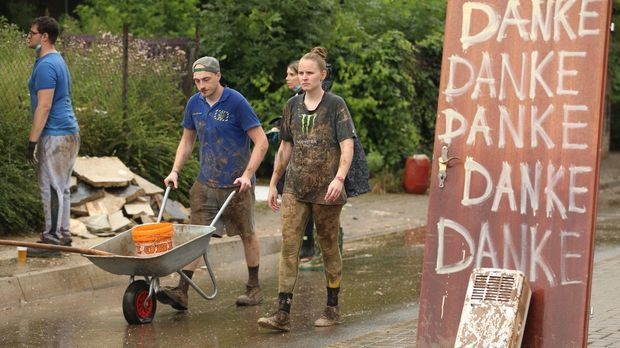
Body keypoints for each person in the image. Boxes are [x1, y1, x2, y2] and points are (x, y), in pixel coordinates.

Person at [157, 56, 268, 310]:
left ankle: (254, 288)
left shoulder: (236, 102)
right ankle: (182, 292)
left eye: (206, 79)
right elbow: (187, 142)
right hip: (206, 182)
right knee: (196, 236)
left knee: (247, 234)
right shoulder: (194, 104)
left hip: (236, 184)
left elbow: (261, 141)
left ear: (218, 76)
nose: (201, 85)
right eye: (197, 81)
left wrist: (248, 174)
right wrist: (175, 171)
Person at [257, 47, 356, 331]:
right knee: (289, 247)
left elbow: (346, 144)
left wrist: (339, 179)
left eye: (309, 73)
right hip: (295, 187)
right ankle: (282, 313)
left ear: (323, 75)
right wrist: (274, 182)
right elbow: (286, 145)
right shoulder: (292, 105)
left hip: (327, 190)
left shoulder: (336, 105)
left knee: (328, 246)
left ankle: (332, 307)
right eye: (300, 73)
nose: (303, 77)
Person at [25, 16, 80, 258]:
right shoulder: (55, 60)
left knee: (52, 187)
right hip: (65, 131)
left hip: (56, 134)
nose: (29, 37)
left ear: (44, 37)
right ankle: (61, 234)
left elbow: (44, 106)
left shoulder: (47, 65)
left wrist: (32, 141)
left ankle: (53, 239)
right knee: (60, 186)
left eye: (32, 33)